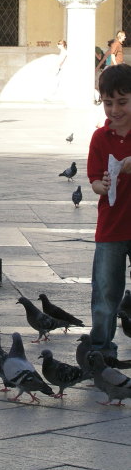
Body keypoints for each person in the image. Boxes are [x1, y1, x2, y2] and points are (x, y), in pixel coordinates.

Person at [87, 63, 131, 355]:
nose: (114, 110)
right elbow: (93, 179)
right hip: (112, 227)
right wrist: (100, 186)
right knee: (104, 291)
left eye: (123, 102)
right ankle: (101, 348)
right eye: (108, 103)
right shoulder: (100, 138)